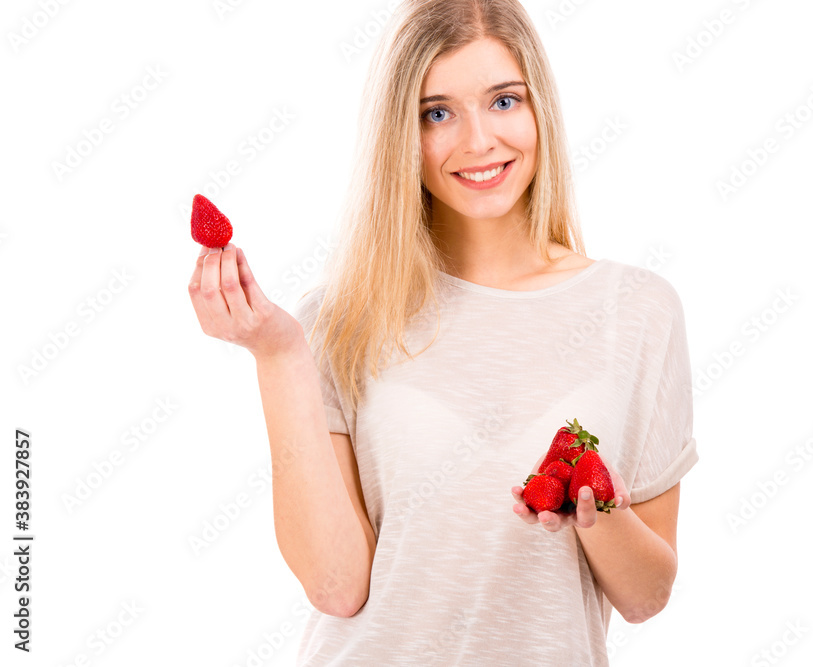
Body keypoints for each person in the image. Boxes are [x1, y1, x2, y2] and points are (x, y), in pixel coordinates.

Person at [187, 0, 698, 664]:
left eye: (504, 102)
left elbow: (646, 596)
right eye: (437, 113)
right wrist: (278, 352)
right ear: (400, 132)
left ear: (540, 106)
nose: (479, 140)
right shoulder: (339, 318)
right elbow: (336, 585)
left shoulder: (638, 310)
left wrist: (599, 512)